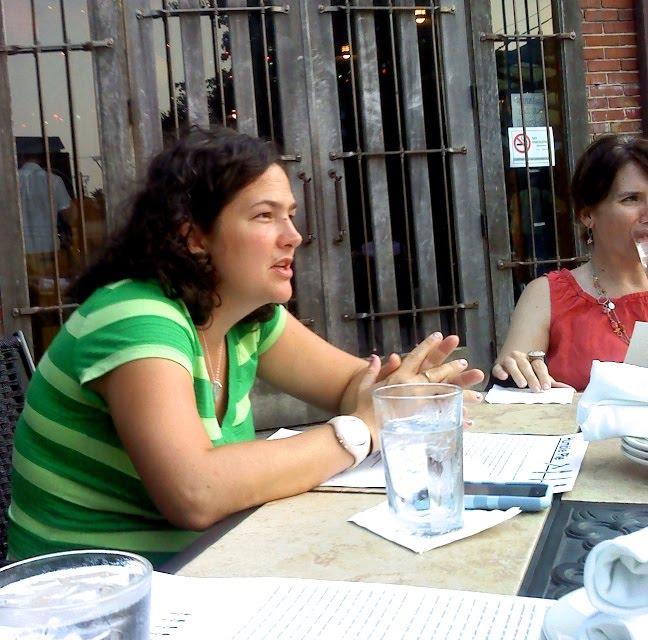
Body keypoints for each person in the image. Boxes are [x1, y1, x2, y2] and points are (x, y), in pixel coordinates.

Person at [9, 127, 484, 567]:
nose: (293, 237)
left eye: (290, 216)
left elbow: (352, 387)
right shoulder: (136, 316)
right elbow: (195, 492)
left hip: (198, 571)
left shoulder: (244, 317)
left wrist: (407, 392)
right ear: (194, 236)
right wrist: (360, 430)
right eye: (265, 216)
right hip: (92, 598)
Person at [491, 133, 648, 393]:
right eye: (631, 199)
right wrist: (517, 374)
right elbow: (512, 387)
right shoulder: (547, 296)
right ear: (587, 214)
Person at [18, 152, 72, 270]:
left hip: (18, 247)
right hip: (48, 246)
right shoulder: (54, 180)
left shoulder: (8, 181)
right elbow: (68, 216)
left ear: (21, 157)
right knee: (49, 278)